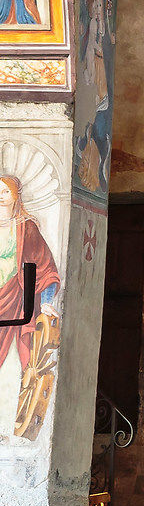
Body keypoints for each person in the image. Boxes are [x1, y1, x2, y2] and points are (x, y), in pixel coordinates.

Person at [0, 175, 61, 441]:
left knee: (26, 360)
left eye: (5, 190)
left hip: (15, 300)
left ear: (16, 194)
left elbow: (45, 267)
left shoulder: (26, 228)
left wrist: (47, 301)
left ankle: (12, 425)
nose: (1, 195)